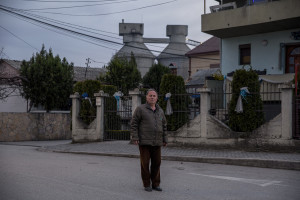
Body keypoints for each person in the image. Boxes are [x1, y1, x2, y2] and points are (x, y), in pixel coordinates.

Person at [130, 89, 167, 192]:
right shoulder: (140, 109)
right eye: (150, 95)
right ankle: (147, 184)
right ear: (146, 97)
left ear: (157, 98)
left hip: (157, 142)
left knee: (157, 163)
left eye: (154, 96)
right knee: (145, 164)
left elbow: (164, 125)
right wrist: (135, 137)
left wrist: (165, 139)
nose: (152, 97)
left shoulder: (160, 110)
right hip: (144, 142)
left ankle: (156, 184)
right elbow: (134, 124)